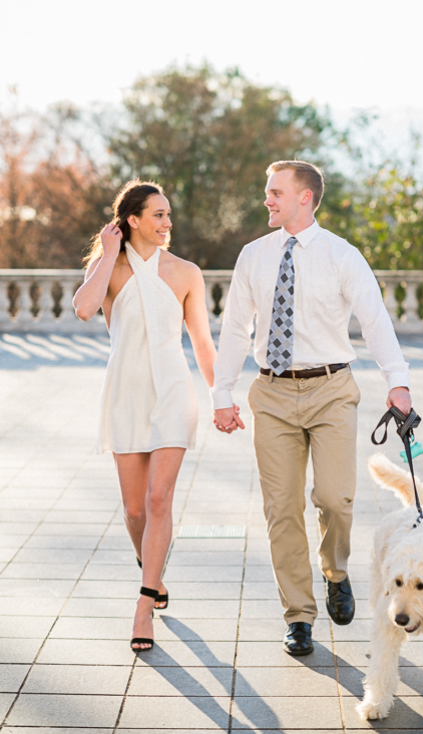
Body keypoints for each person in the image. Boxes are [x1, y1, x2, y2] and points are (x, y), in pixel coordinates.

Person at [212, 160, 411, 656]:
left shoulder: (342, 256)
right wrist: (223, 393)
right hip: (273, 393)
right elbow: (235, 328)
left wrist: (398, 382)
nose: (267, 200)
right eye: (267, 191)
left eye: (276, 192)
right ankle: (298, 616)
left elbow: (374, 319)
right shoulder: (253, 255)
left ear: (305, 197)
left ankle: (335, 571)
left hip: (331, 390)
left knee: (336, 498)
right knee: (281, 509)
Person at [72, 180, 217, 652]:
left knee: (159, 501)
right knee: (135, 509)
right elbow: (83, 309)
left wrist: (225, 397)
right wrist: (105, 254)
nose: (167, 222)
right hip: (126, 394)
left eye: (168, 214)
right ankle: (152, 574)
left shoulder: (186, 272)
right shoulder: (110, 270)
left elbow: (201, 342)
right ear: (132, 220)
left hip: (173, 392)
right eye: (157, 214)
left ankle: (143, 606)